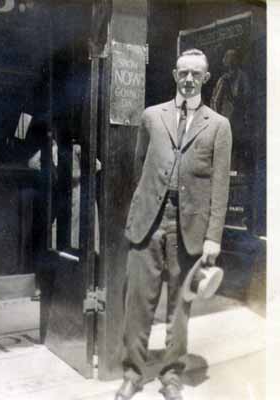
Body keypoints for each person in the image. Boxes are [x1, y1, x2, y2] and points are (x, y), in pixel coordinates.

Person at [116, 49, 232, 400]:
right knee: (137, 304)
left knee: (179, 308)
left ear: (206, 78)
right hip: (149, 222)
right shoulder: (152, 116)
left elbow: (220, 187)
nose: (189, 79)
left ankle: (170, 376)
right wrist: (142, 210)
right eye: (183, 72)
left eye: (196, 73)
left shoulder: (219, 126)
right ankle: (133, 374)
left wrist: (213, 237)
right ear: (174, 74)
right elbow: (140, 167)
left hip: (190, 228)